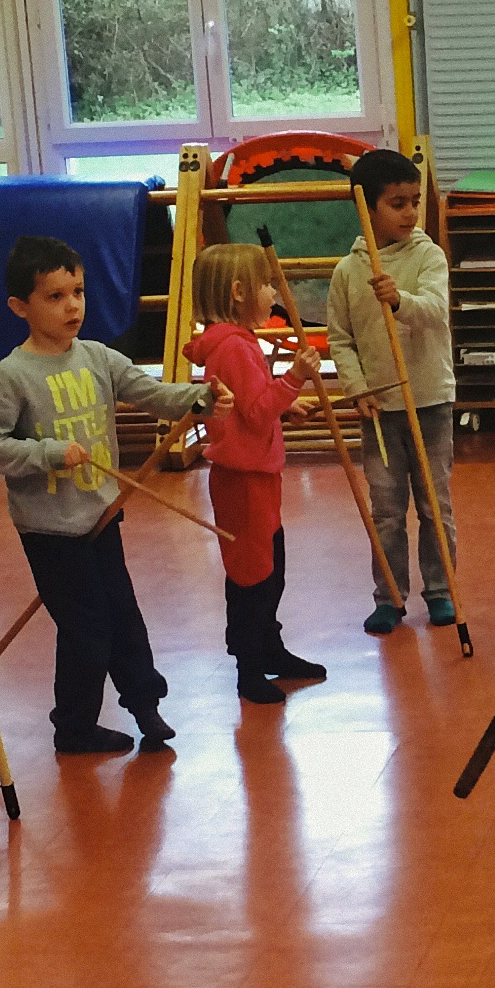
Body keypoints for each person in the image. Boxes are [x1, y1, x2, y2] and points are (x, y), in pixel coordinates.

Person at [0, 234, 225, 754]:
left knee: (123, 617)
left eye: (78, 292)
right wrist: (46, 453)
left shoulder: (99, 357)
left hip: (103, 515)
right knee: (87, 630)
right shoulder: (12, 375)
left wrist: (200, 398)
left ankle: (146, 706)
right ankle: (74, 727)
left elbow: (152, 394)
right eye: (55, 296)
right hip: (50, 530)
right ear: (21, 306)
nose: (72, 306)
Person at [184, 241, 327, 704]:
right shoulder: (234, 349)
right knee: (253, 576)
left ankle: (268, 649)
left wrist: (287, 404)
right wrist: (295, 379)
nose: (273, 292)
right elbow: (258, 411)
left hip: (252, 474)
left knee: (270, 567)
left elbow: (252, 406)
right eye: (267, 284)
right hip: (243, 479)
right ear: (240, 291)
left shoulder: (235, 344)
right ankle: (249, 668)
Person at [327, 149, 458, 635]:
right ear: (366, 207)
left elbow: (434, 311)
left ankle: (441, 591)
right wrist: (356, 388)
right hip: (379, 409)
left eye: (414, 201)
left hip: (429, 401)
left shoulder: (429, 255)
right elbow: (340, 339)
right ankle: (390, 597)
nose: (410, 212)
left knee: (434, 505)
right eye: (397, 203)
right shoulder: (347, 271)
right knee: (385, 509)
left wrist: (399, 300)